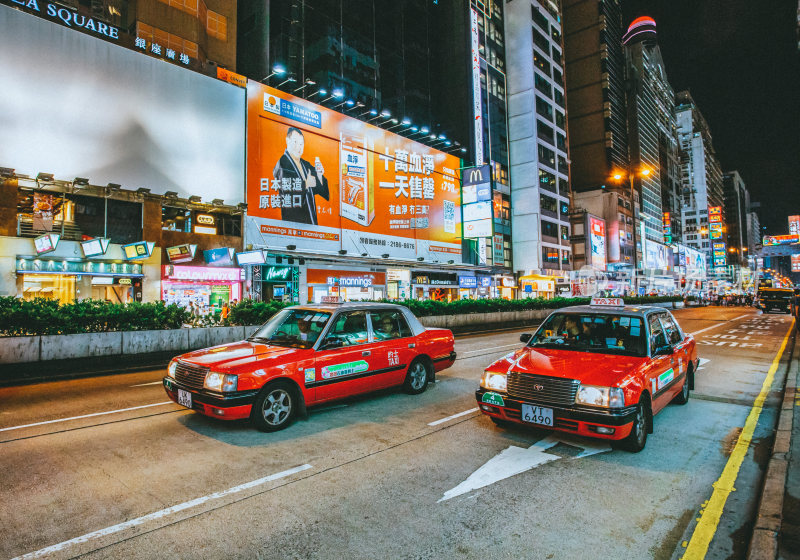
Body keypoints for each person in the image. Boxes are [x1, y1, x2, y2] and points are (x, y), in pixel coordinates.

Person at [273, 127, 329, 225]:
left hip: (311, 226)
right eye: (295, 142)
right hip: (293, 226)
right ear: (287, 140)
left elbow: (321, 190)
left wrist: (319, 175)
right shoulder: (282, 164)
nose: (298, 147)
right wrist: (306, 185)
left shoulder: (305, 164)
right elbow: (288, 198)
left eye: (301, 143)